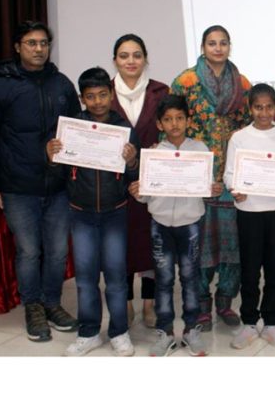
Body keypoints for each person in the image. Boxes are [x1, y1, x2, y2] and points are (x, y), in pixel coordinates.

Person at [0, 20, 80, 342]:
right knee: (28, 252)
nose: (39, 49)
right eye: (32, 43)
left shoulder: (62, 84)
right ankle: (32, 306)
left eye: (43, 43)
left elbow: (77, 131)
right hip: (18, 187)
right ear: (18, 47)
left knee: (56, 252)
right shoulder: (0, 88)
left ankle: (52, 303)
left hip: (59, 186)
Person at [46, 67, 139, 356]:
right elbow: (59, 171)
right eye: (91, 97)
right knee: (85, 278)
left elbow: (132, 174)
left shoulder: (124, 129)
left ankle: (119, 331)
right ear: (82, 98)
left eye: (102, 95)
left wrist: (132, 161)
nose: (98, 102)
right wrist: (51, 156)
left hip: (115, 212)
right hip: (80, 213)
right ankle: (88, 332)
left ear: (111, 95)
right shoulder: (72, 128)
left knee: (115, 276)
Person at [170, 25, 252, 330]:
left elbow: (248, 129)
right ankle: (201, 303)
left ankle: (226, 301)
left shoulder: (242, 83)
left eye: (223, 43)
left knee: (233, 246)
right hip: (197, 177)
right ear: (203, 47)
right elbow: (171, 123)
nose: (218, 48)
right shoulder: (186, 81)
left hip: (231, 178)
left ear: (230, 46)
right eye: (212, 43)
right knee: (200, 244)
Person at [128, 95, 208, 357]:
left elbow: (204, 189)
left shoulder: (200, 150)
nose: (174, 124)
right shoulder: (152, 155)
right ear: (160, 124)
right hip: (160, 224)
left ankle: (191, 329)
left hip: (190, 224)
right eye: (168, 119)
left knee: (190, 278)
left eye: (179, 118)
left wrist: (212, 188)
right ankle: (164, 331)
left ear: (188, 120)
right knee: (163, 280)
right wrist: (137, 191)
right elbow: (146, 195)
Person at [224, 83, 275, 350]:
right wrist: (236, 190)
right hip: (249, 211)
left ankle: (270, 320)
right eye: (258, 107)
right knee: (249, 269)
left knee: (274, 269)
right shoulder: (239, 138)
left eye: (269, 107)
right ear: (250, 109)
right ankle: (248, 320)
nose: (264, 112)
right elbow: (229, 173)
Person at [110, 33, 169, 328]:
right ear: (115, 61)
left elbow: (171, 130)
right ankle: (127, 303)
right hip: (113, 185)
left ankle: (149, 304)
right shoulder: (103, 93)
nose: (130, 61)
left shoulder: (161, 91)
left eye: (136, 55)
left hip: (150, 183)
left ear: (145, 58)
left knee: (150, 244)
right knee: (120, 244)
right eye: (124, 55)